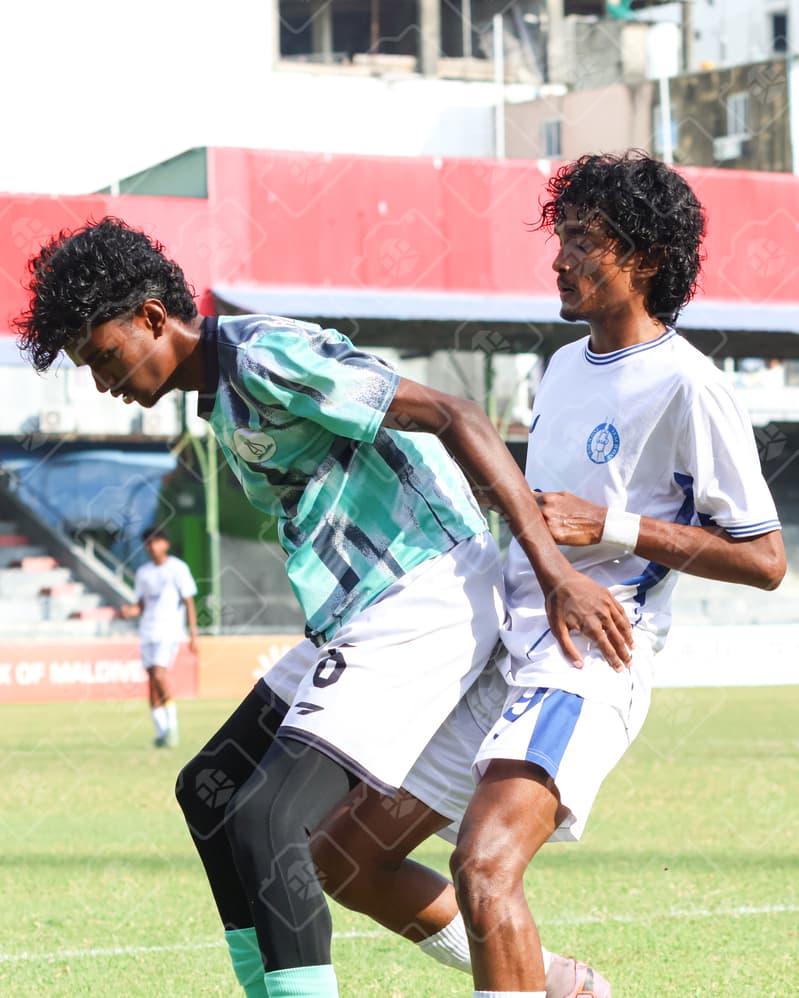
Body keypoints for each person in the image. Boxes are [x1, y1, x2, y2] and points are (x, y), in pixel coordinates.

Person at [15, 217, 632, 998]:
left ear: (151, 316)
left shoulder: (266, 354)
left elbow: (456, 415)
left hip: (423, 593)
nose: (104, 383)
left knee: (268, 820)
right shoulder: (219, 393)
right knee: (209, 791)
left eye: (103, 357)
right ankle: (554, 982)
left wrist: (551, 570)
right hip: (357, 613)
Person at [310, 151, 787, 998]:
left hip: (588, 657)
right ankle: (559, 983)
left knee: (484, 863)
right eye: (559, 238)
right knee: (344, 856)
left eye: (581, 242)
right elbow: (546, 511)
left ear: (642, 258)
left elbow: (762, 559)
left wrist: (607, 525)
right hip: (501, 646)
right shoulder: (563, 365)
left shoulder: (690, 385)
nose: (558, 259)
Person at [119, 526, 198, 748]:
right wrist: (130, 611)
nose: (152, 546)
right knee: (152, 680)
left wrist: (194, 634)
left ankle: (172, 726)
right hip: (148, 631)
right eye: (149, 543)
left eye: (156, 541)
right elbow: (141, 605)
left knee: (160, 673)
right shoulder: (143, 573)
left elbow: (189, 601)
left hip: (168, 630)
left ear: (166, 544)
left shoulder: (177, 568)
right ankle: (161, 731)